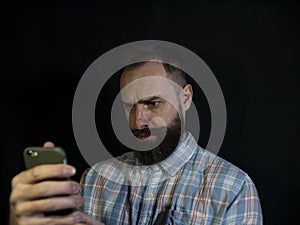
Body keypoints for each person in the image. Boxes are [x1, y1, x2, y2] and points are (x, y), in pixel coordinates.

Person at [9, 61, 262, 225]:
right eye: (129, 106)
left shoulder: (233, 188)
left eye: (153, 103)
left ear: (185, 98)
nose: (138, 121)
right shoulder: (95, 179)